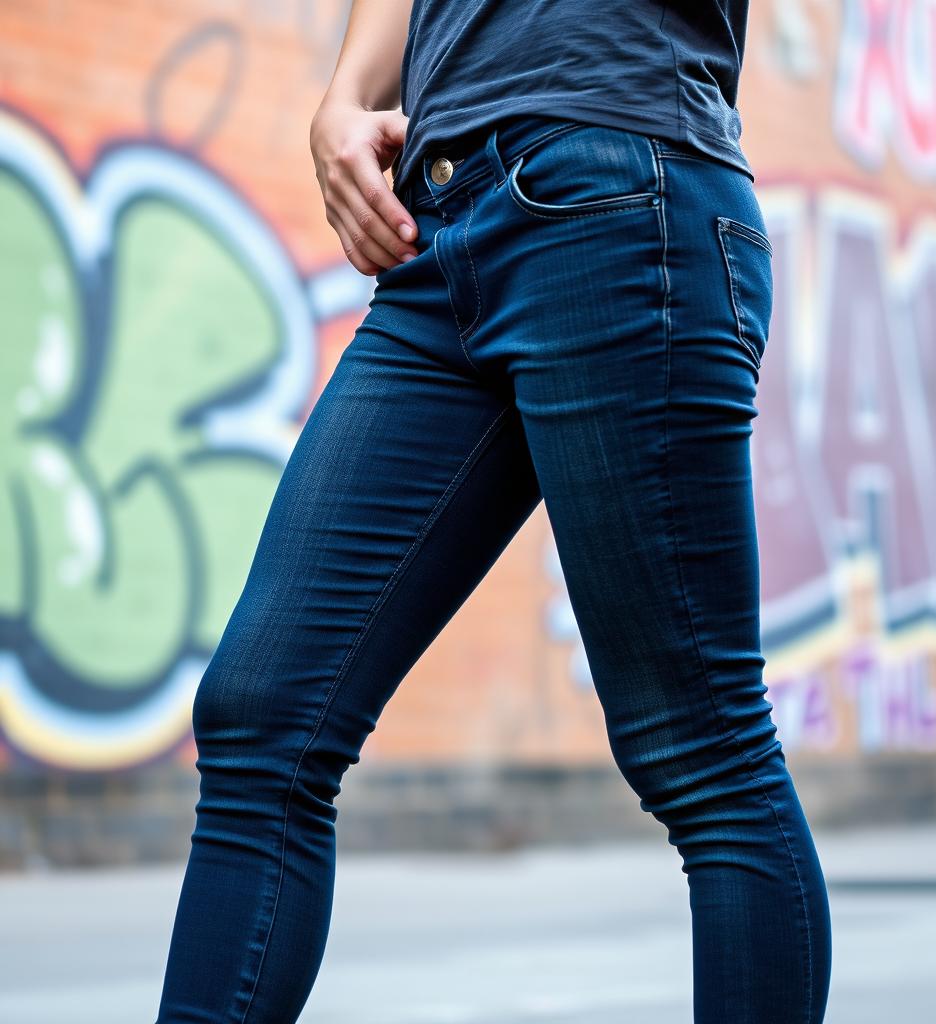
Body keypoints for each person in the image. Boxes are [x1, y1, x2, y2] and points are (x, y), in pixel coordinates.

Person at [155, 1, 833, 1021]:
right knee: (264, 712)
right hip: (437, 237)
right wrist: (344, 99)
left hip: (618, 188)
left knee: (700, 749)